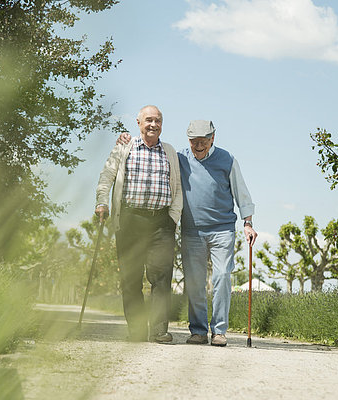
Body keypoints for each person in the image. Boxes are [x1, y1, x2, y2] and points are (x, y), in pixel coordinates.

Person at [117, 119, 257, 347]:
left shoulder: (227, 160)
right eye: (194, 141)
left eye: (203, 141)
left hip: (222, 229)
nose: (199, 146)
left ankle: (219, 330)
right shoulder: (179, 158)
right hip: (192, 230)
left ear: (213, 138)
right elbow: (153, 152)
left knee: (222, 276)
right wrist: (126, 139)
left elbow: (242, 193)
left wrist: (248, 223)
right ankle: (199, 331)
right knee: (194, 282)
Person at [95, 105, 182, 343]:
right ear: (139, 122)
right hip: (130, 221)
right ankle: (136, 331)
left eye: (158, 121)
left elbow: (177, 187)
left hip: (161, 221)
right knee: (131, 279)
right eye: (149, 120)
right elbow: (106, 177)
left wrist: (173, 218)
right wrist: (102, 202)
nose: (153, 125)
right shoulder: (124, 146)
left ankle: (158, 331)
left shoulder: (170, 151)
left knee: (161, 277)